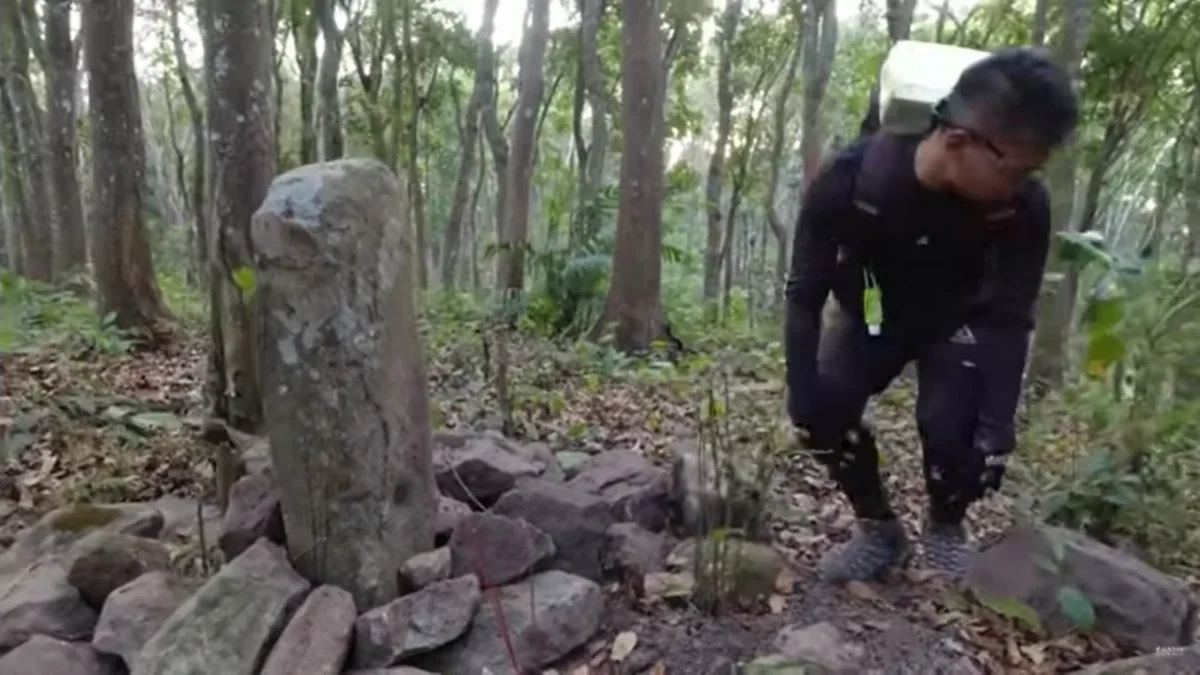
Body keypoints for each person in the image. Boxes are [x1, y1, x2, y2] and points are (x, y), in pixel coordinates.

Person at [784, 47, 1079, 583]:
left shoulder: (1020, 206)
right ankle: (878, 530)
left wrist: (998, 428)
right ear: (960, 141)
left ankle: (945, 525)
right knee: (823, 410)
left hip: (955, 319)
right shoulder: (852, 178)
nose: (1025, 183)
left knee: (954, 437)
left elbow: (1012, 317)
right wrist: (802, 391)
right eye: (1018, 169)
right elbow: (805, 290)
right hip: (870, 311)